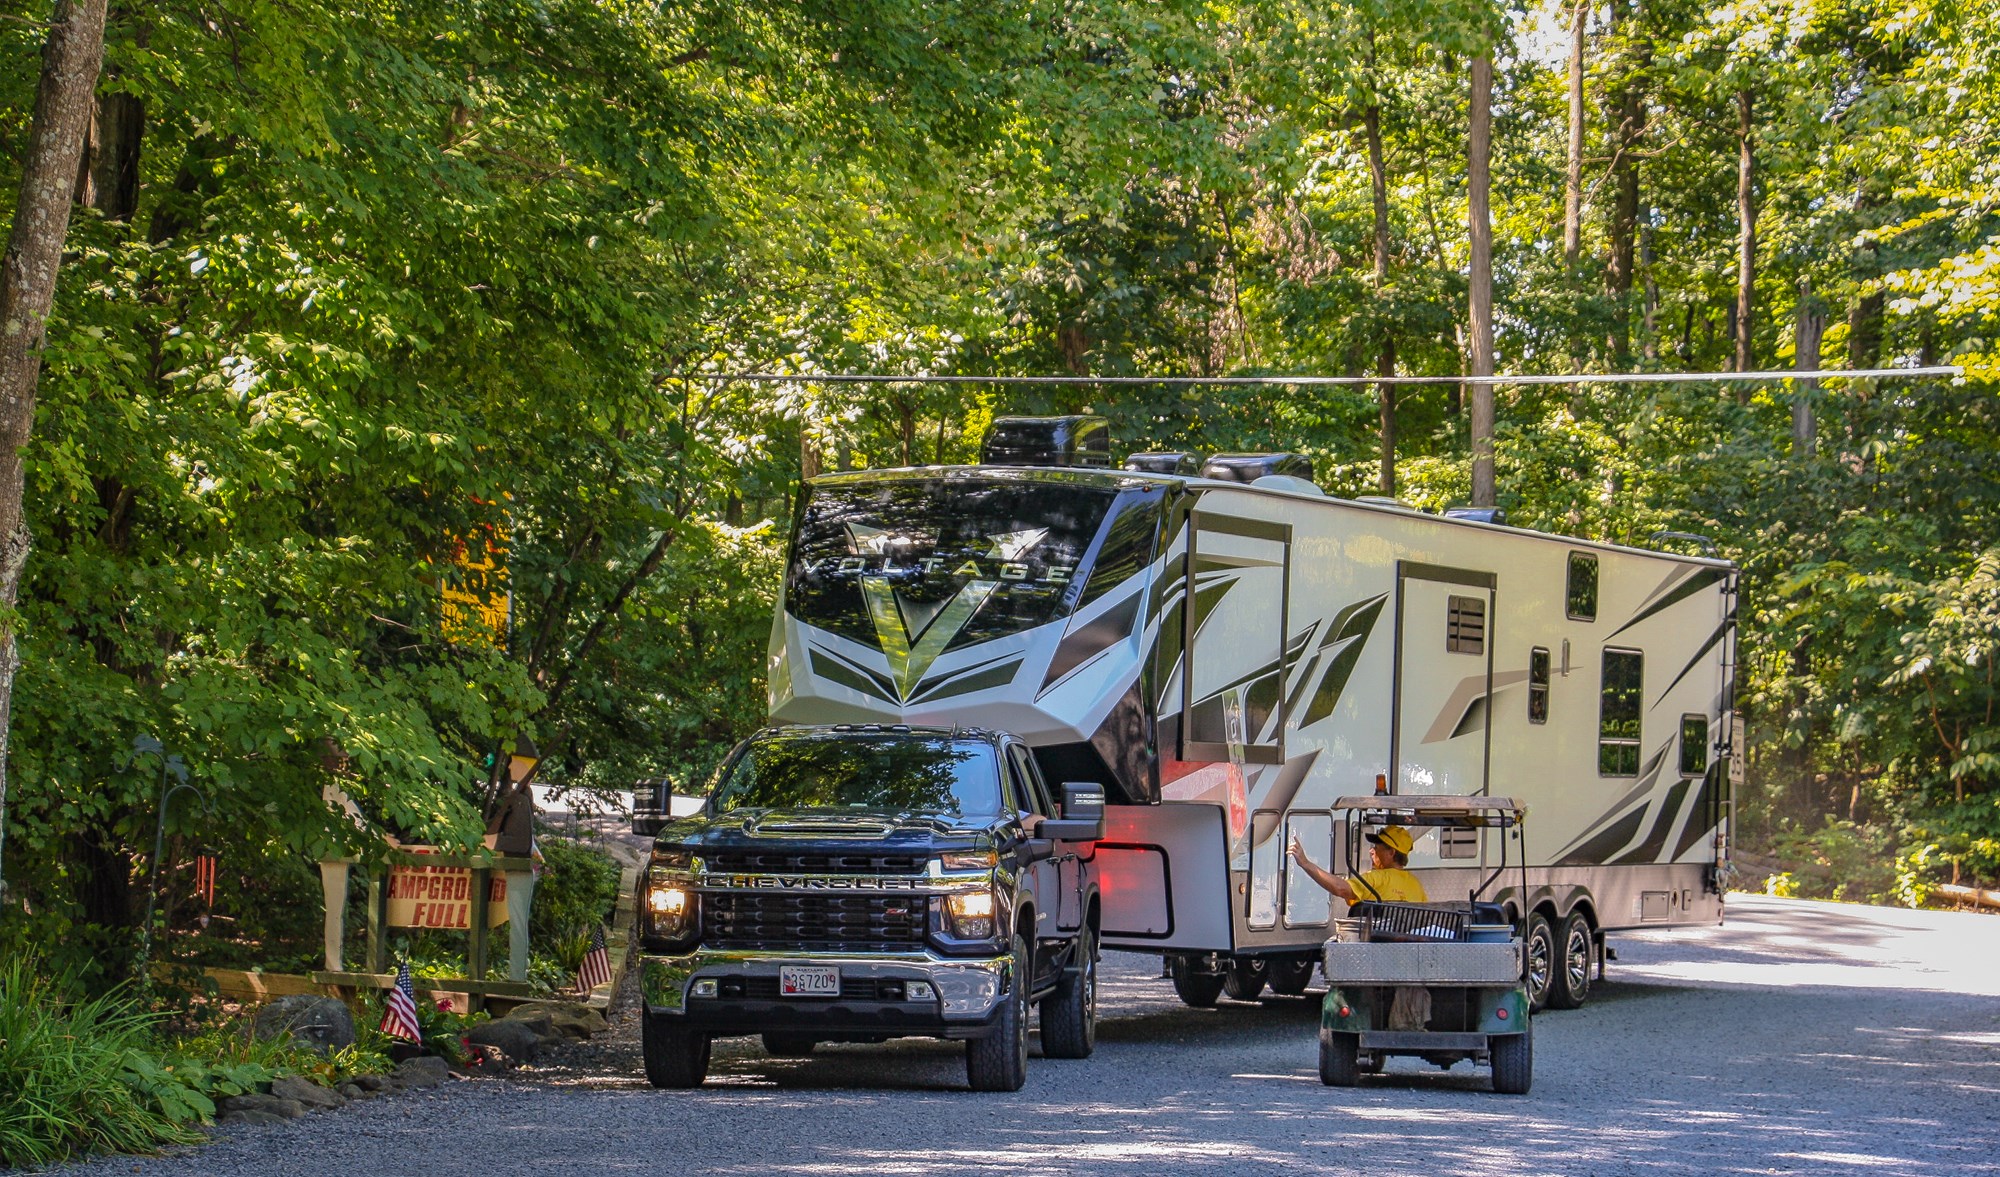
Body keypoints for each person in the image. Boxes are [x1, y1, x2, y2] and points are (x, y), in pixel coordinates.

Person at [1287, 824, 1427, 905]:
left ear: (1391, 852)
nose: (1372, 851)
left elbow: (1341, 889)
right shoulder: (1416, 885)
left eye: (1377, 847)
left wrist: (1305, 863)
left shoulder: (1377, 878)